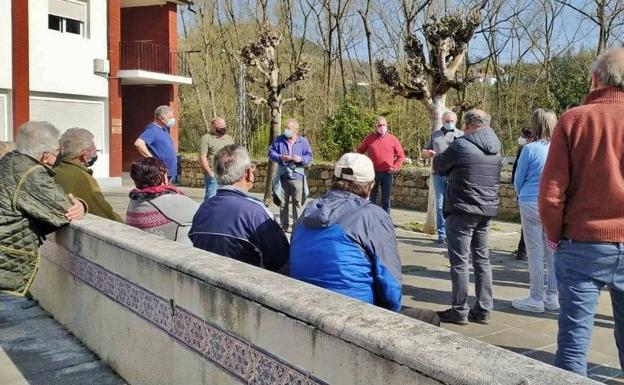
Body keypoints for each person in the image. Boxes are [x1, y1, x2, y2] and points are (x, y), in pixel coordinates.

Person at [539, 48, 624, 376]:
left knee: (574, 339)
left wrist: (554, 235)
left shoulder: (575, 119)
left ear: (595, 78)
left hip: (583, 242)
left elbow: (550, 195)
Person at [290, 153, 403, 311]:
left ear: (333, 180)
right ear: (370, 187)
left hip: (302, 308)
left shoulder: (308, 211)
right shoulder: (374, 216)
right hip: (352, 316)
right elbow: (391, 288)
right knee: (428, 318)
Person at [432, 109, 502, 325]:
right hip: (486, 210)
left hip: (462, 208)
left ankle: (460, 309)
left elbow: (439, 165)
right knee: (482, 259)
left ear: (470, 125)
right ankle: (484, 309)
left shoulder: (462, 145)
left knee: (460, 261)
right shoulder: (497, 148)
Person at [0, 121, 86, 296]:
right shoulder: (31, 173)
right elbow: (64, 209)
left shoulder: (8, 162)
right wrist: (82, 205)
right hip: (6, 256)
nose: (58, 155)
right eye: (57, 151)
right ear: (45, 155)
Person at [190, 144, 289, 272]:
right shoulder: (256, 213)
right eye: (252, 167)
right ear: (247, 173)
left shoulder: (203, 208)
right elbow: (281, 259)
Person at [511, 110, 558, 313]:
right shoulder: (561, 149)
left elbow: (518, 180)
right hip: (553, 203)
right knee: (553, 252)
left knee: (535, 252)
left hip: (531, 200)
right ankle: (552, 295)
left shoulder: (529, 149)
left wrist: (522, 196)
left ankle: (536, 297)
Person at [54, 128, 123, 223]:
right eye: (94, 151)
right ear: (84, 155)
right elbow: (104, 212)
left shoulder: (53, 171)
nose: (95, 154)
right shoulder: (84, 177)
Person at [126, 157, 199, 245]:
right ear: (161, 177)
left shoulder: (135, 200)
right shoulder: (169, 201)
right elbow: (205, 212)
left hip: (147, 250)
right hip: (174, 253)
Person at [422, 110, 464, 244]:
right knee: (440, 206)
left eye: (451, 121)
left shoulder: (461, 135)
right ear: (442, 121)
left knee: (454, 205)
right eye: (447, 121)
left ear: (455, 121)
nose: (449, 123)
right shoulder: (435, 135)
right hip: (438, 174)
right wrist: (427, 153)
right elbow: (424, 151)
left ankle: (454, 232)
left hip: (454, 175)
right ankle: (442, 234)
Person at [268, 119, 312, 232]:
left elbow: (309, 157)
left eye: (288, 128)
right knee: (283, 203)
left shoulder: (303, 142)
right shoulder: (279, 140)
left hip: (297, 176)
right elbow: (271, 152)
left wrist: (300, 159)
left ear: (295, 130)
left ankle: (297, 226)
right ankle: (284, 224)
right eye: (285, 128)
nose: (286, 130)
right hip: (283, 176)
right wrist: (280, 157)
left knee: (297, 203)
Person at [356, 116, 405, 213]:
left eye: (384, 125)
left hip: (387, 173)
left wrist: (394, 167)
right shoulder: (370, 138)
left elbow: (401, 156)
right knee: (371, 199)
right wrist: (362, 165)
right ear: (375, 126)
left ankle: (386, 221)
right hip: (372, 173)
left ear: (387, 125)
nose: (382, 127)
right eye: (379, 125)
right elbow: (359, 152)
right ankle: (372, 220)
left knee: (386, 200)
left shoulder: (393, 139)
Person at [134, 105, 178, 183]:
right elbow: (138, 143)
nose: (172, 120)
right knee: (161, 195)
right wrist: (152, 160)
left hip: (169, 172)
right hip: (161, 174)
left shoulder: (164, 129)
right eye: (170, 118)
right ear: (162, 119)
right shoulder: (152, 130)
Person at [198, 116, 234, 200]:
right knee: (211, 198)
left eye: (224, 126)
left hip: (228, 174)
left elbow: (233, 154)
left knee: (227, 198)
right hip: (214, 174)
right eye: (220, 127)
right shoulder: (206, 138)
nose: (223, 129)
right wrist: (210, 173)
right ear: (214, 127)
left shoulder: (229, 138)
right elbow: (202, 157)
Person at [511, 127, 532, 261]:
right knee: (525, 225)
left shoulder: (528, 150)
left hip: (526, 193)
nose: (521, 138)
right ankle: (522, 250)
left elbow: (520, 173)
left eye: (523, 136)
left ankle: (523, 250)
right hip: (523, 192)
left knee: (527, 225)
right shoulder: (523, 150)